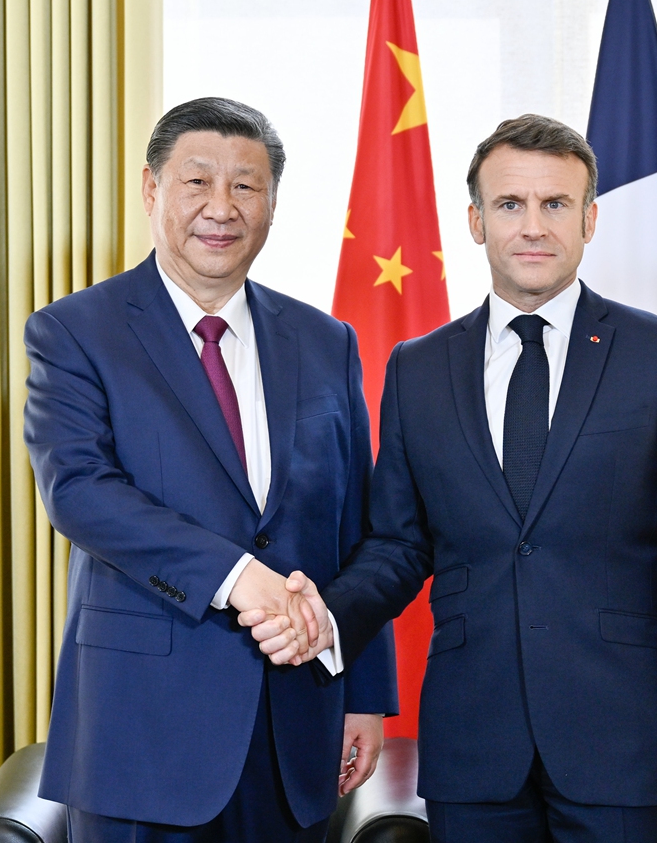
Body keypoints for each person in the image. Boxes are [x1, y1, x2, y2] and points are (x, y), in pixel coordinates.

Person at [246, 114, 657, 843]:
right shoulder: (418, 370)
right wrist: (323, 614)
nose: (533, 226)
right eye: (511, 205)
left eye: (555, 204)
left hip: (623, 744)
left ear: (590, 219)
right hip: (473, 751)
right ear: (477, 222)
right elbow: (396, 547)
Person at [23, 97, 397, 843]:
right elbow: (82, 493)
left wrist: (362, 690)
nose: (220, 208)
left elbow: (360, 527)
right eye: (197, 182)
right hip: (140, 732)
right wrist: (240, 576)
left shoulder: (328, 342)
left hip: (296, 724)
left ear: (272, 205)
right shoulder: (74, 331)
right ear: (151, 190)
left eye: (246, 187)